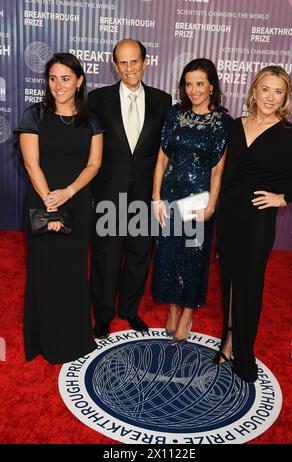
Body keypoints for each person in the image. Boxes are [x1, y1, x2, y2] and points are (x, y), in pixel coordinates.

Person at [15, 53, 105, 363]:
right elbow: (31, 163)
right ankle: (47, 341)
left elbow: (94, 164)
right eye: (53, 79)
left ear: (80, 81)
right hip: (43, 203)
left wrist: (68, 192)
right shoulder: (34, 116)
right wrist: (52, 206)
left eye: (66, 78)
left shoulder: (92, 118)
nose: (58, 85)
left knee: (73, 273)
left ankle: (76, 339)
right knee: (47, 272)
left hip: (78, 203)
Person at [215, 65, 292, 383]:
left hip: (258, 221)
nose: (270, 97)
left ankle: (245, 353)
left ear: (285, 98)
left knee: (249, 284)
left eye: (279, 92)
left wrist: (282, 197)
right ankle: (229, 339)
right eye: (266, 89)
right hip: (228, 217)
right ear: (254, 91)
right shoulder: (236, 126)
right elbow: (223, 172)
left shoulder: (289, 135)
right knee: (229, 282)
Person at [88, 39, 172, 338]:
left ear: (145, 62)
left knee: (139, 254)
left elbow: (167, 149)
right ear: (115, 66)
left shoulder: (163, 101)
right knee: (106, 255)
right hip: (109, 191)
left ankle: (129, 309)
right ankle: (103, 313)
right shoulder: (97, 100)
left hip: (146, 194)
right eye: (122, 63)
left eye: (134, 61)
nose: (129, 68)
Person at [151, 58, 232, 344]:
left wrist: (212, 205)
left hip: (200, 199)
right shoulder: (174, 114)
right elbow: (162, 158)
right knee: (168, 256)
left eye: (200, 84)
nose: (194, 90)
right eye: (188, 84)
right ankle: (173, 309)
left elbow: (218, 167)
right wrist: (156, 198)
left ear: (212, 85)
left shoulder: (223, 121)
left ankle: (187, 313)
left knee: (194, 259)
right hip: (171, 196)